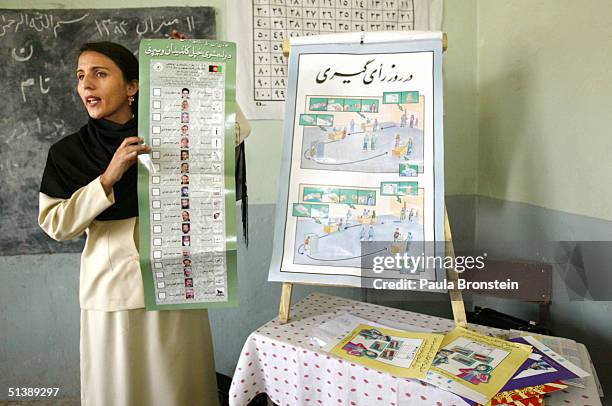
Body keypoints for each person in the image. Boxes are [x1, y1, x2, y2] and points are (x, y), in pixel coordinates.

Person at [38, 42, 219, 406]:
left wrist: (195, 68)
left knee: (180, 388)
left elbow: (231, 134)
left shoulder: (172, 134)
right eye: (80, 76)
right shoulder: (67, 152)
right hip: (112, 293)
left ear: (132, 86)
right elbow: (55, 224)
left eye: (99, 74)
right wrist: (106, 179)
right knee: (121, 392)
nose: (86, 84)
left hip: (176, 282)